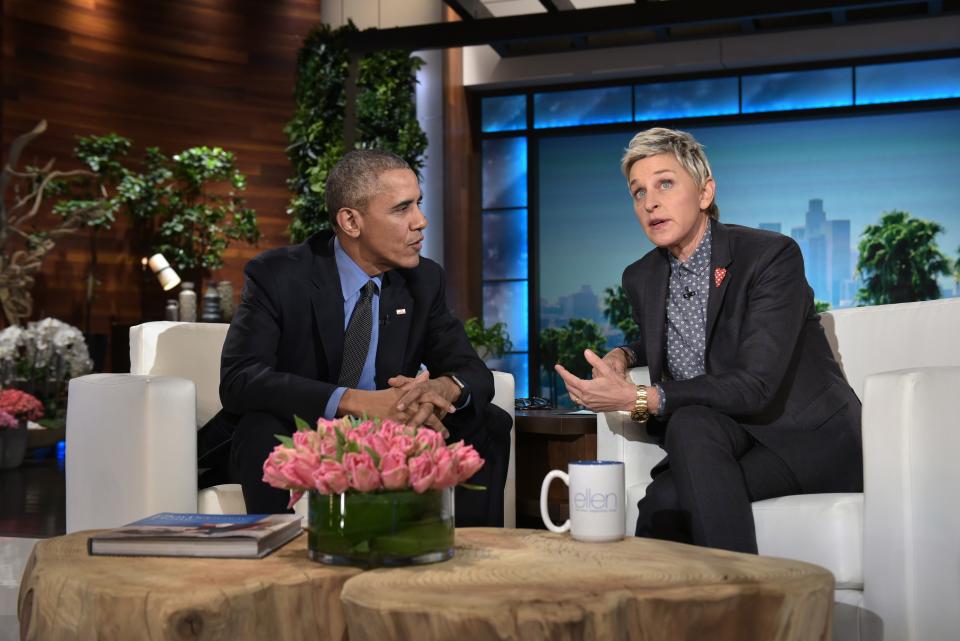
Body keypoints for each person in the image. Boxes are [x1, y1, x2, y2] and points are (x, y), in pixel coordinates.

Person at [555, 128, 862, 554]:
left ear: (704, 192)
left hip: (801, 438)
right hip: (716, 434)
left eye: (665, 183)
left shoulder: (771, 257)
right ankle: (681, 615)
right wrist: (624, 353)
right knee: (683, 442)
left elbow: (755, 384)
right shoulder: (641, 276)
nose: (650, 202)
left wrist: (639, 397)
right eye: (637, 192)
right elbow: (682, 338)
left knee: (666, 496)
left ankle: (734, 607)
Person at [198, 149, 511, 526]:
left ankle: (466, 559)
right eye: (402, 209)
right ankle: (284, 564)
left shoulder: (423, 280)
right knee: (261, 425)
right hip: (298, 425)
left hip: (382, 432)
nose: (421, 221)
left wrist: (443, 389)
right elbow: (240, 379)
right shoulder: (279, 275)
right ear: (350, 220)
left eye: (419, 204)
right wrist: (355, 402)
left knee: (488, 421)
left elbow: (472, 370)